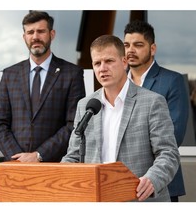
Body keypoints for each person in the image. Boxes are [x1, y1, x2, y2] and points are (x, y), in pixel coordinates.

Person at [61, 35, 180, 202]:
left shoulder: (153, 102)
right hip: (97, 200)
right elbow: (73, 156)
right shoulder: (86, 105)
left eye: (109, 61)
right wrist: (59, 176)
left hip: (140, 200)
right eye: (97, 63)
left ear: (124, 62)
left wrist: (152, 179)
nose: (102, 68)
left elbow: (168, 153)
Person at [0, 11, 86, 163]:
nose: (35, 37)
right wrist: (18, 157)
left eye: (41, 31)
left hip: (55, 165)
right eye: (30, 32)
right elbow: (0, 122)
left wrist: (39, 155)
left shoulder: (72, 74)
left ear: (52, 34)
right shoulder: (10, 74)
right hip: (16, 167)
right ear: (24, 37)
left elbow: (73, 124)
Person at [123, 20, 189, 202]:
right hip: (121, 182)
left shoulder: (172, 81)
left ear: (152, 49)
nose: (130, 50)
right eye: (126, 45)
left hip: (161, 182)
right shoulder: (118, 83)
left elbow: (175, 134)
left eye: (138, 45)